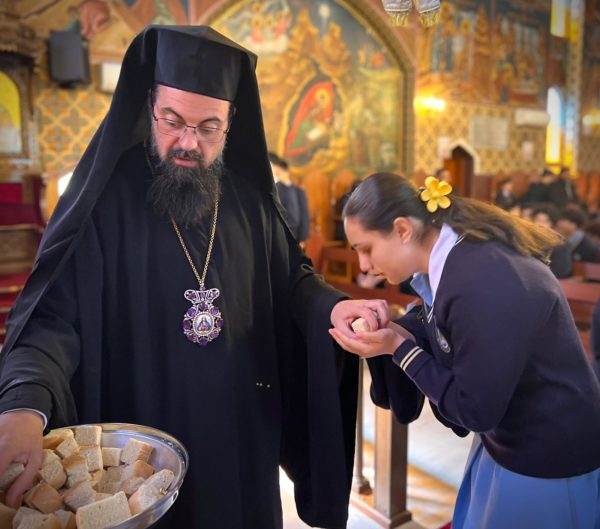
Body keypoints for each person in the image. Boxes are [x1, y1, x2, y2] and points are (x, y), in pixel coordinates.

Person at [0, 25, 371, 529]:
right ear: (150, 106)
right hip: (141, 441)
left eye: (208, 127)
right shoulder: (105, 201)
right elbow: (51, 320)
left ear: (231, 123)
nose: (188, 142)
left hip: (241, 434)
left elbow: (292, 282)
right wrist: (23, 406)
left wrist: (335, 306)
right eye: (172, 121)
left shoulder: (251, 201)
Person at [328, 173, 600, 529]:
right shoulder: (456, 257)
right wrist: (397, 331)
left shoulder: (485, 278)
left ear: (402, 230)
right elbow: (447, 330)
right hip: (510, 436)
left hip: (549, 450)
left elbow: (474, 410)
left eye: (366, 249)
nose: (363, 266)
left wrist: (399, 348)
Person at [268, 152, 310, 246]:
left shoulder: (289, 189)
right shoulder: (273, 188)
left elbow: (301, 217)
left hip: (286, 238)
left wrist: (302, 238)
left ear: (277, 168)